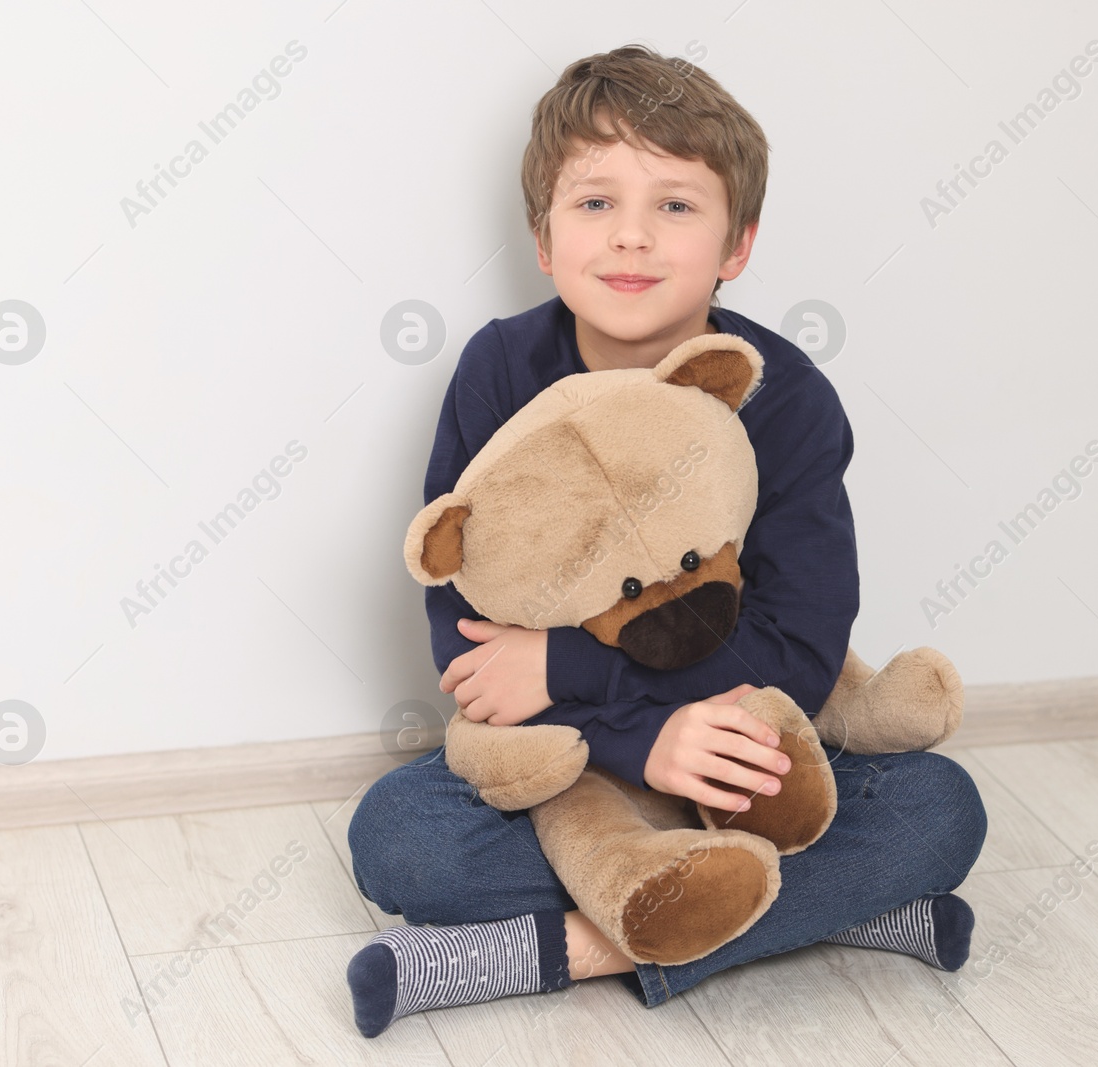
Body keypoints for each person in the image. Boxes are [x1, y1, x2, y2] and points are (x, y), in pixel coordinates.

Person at [346, 43, 987, 1039]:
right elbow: (469, 639)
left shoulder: (782, 398)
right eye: (595, 203)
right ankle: (833, 909)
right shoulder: (498, 371)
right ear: (543, 237)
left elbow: (803, 644)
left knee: (941, 808)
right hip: (566, 760)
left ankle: (559, 950)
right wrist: (634, 737)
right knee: (399, 839)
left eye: (676, 206)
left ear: (736, 244)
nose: (632, 239)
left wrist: (581, 672)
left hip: (736, 741)